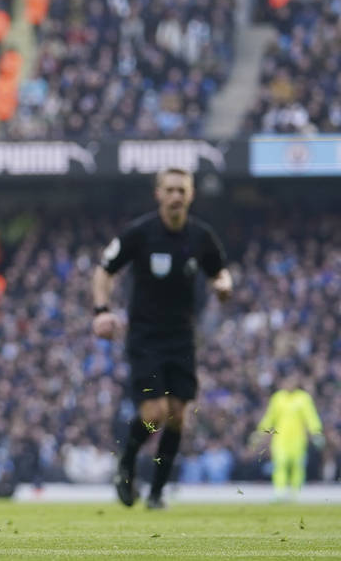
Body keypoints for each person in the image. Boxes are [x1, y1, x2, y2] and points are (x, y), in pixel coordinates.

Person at [92, 167, 232, 510]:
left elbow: (219, 271)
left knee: (178, 416)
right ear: (158, 194)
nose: (175, 197)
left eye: (181, 191)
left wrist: (224, 284)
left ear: (191, 195)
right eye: (169, 190)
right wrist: (101, 310)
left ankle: (156, 493)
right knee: (155, 411)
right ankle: (126, 462)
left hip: (182, 337)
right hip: (145, 336)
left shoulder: (201, 236)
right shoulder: (140, 233)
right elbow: (105, 269)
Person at [253, 368, 324, 501]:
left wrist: (316, 432)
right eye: (287, 381)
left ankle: (295, 492)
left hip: (298, 439)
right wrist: (260, 431)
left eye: (292, 381)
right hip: (280, 439)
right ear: (283, 382)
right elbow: (270, 418)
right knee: (280, 463)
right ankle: (279, 491)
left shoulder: (303, 398)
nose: (289, 383)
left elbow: (311, 417)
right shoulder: (278, 398)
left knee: (297, 465)